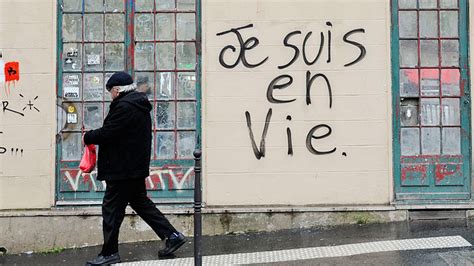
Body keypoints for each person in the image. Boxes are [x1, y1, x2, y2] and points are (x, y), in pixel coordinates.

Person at [85, 72, 186, 265]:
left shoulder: (124, 107)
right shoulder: (137, 104)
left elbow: (109, 132)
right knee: (141, 203)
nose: (110, 95)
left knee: (112, 210)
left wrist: (88, 136)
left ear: (117, 90)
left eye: (110, 92)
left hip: (122, 169)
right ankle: (172, 236)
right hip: (134, 166)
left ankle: (109, 253)